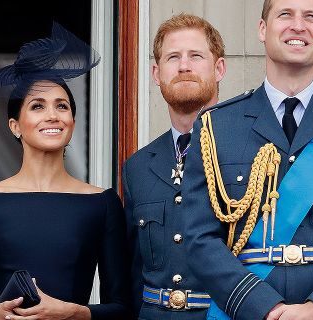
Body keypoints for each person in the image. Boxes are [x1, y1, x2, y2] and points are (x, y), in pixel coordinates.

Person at [181, 0, 313, 319]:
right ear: (262, 29)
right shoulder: (216, 127)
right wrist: (263, 307)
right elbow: (199, 238)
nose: (298, 25)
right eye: (285, 14)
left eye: (310, 17)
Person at [0, 23, 129, 320]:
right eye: (37, 106)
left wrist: (74, 312)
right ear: (14, 126)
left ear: (71, 120)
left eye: (62, 105)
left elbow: (122, 309)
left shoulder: (103, 203)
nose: (52, 115)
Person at [122, 13, 226, 320]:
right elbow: (133, 274)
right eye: (172, 57)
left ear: (219, 68)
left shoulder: (254, 153)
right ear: (156, 73)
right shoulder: (138, 167)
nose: (183, 66)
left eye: (195, 56)